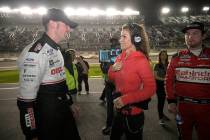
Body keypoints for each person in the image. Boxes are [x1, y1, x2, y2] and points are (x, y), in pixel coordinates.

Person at [17, 8, 81, 140]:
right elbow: (26, 101)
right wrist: (31, 133)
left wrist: (70, 104)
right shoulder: (35, 53)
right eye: (66, 25)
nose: (69, 29)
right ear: (53, 23)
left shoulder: (56, 49)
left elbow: (61, 83)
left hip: (63, 113)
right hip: (48, 120)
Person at [108, 23, 156, 140]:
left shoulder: (141, 60)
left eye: (124, 36)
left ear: (136, 39)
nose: (120, 40)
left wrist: (126, 99)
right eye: (120, 36)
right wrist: (112, 69)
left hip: (133, 115)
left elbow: (151, 89)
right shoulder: (121, 56)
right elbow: (111, 78)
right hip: (119, 112)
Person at [165, 22, 210, 140]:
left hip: (206, 108)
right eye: (187, 34)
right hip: (183, 107)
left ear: (203, 36)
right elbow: (168, 81)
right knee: (184, 136)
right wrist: (171, 101)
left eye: (195, 33)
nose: (190, 37)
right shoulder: (176, 57)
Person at [99, 37, 120, 135]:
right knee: (112, 106)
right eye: (113, 42)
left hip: (117, 84)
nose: (114, 44)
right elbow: (103, 69)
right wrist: (103, 63)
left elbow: (103, 69)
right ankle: (111, 125)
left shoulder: (122, 53)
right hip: (112, 83)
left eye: (115, 42)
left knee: (115, 106)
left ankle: (112, 126)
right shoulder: (107, 53)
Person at [153, 50, 170, 125]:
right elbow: (155, 76)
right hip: (160, 86)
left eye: (165, 55)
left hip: (168, 86)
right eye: (162, 55)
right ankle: (160, 118)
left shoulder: (169, 64)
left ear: (167, 56)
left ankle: (162, 115)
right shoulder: (157, 65)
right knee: (161, 102)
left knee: (171, 102)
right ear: (159, 56)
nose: (163, 56)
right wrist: (165, 79)